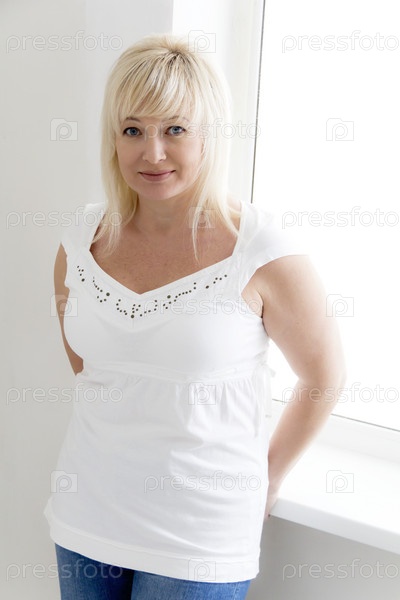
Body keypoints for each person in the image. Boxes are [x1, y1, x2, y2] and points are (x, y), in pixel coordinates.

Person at [44, 33, 346, 600]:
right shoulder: (80, 239)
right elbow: (89, 368)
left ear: (210, 134)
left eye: (175, 129)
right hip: (85, 517)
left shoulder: (260, 250)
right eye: (133, 130)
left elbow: (324, 377)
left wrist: (269, 477)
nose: (152, 153)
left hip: (198, 539)